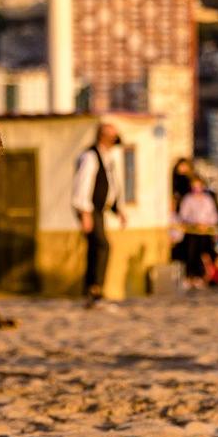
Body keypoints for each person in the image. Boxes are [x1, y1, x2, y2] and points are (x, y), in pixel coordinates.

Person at [72, 123, 127, 302]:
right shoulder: (90, 156)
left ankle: (92, 289)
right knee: (102, 245)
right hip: (90, 209)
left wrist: (117, 208)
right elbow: (83, 185)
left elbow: (110, 185)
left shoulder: (106, 157)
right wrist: (85, 213)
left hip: (99, 210)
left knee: (95, 247)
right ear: (103, 137)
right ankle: (95, 287)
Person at [175, 177, 218, 289]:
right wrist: (194, 224)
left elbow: (214, 216)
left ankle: (205, 276)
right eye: (194, 186)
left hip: (206, 232)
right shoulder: (188, 199)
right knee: (192, 253)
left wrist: (206, 225)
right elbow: (183, 216)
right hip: (192, 233)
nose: (196, 188)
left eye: (198, 185)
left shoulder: (208, 199)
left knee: (207, 255)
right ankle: (192, 276)